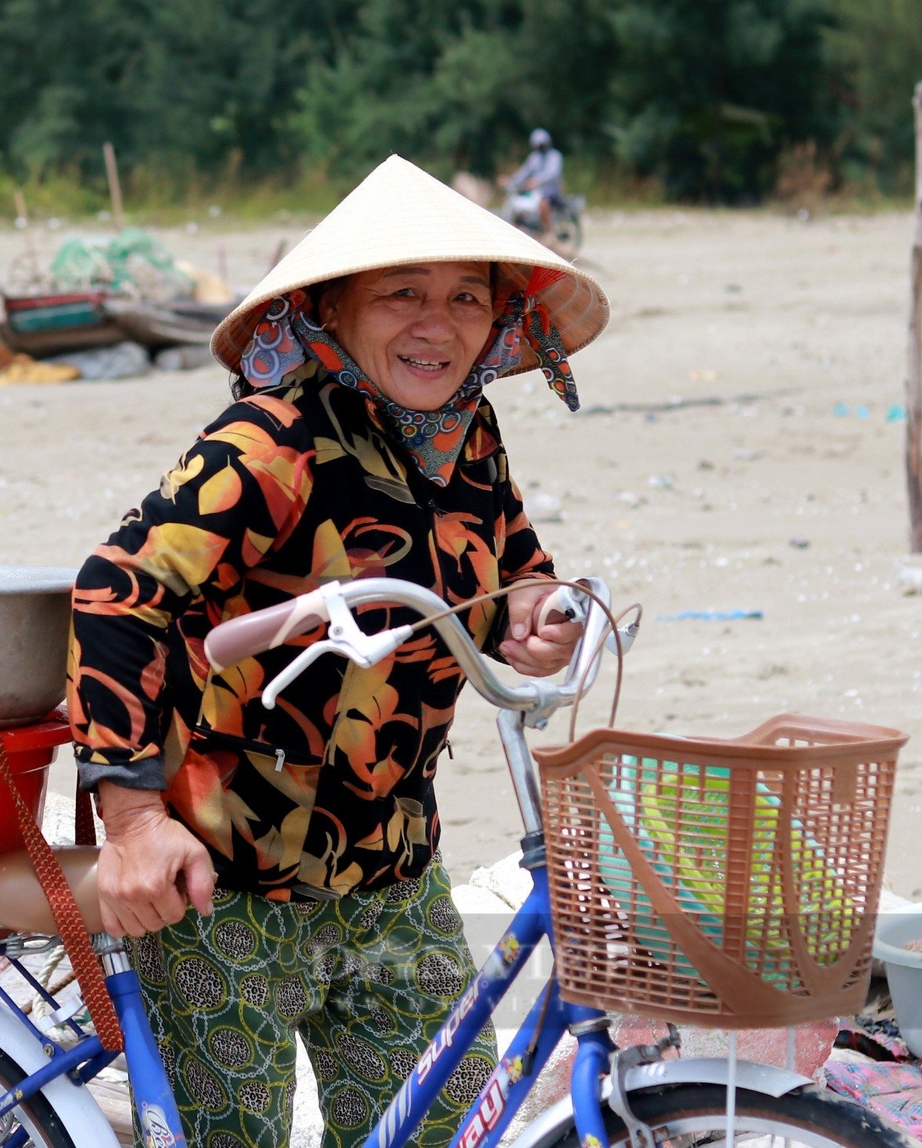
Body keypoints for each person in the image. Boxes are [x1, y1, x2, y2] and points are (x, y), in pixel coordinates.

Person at [67, 155, 610, 1148]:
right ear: (328, 309)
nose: (434, 323)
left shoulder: (468, 435)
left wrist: (533, 610)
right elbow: (116, 588)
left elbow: (509, 561)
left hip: (391, 870)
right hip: (221, 883)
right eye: (399, 292)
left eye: (463, 296)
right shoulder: (269, 442)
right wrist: (134, 820)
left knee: (443, 1127)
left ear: (497, 317)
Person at [507, 128, 565, 234]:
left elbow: (552, 173)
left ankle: (548, 231)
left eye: (542, 145)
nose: (540, 147)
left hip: (551, 191)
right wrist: (510, 180)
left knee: (543, 203)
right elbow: (524, 173)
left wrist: (538, 180)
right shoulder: (534, 157)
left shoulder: (555, 156)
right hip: (535, 192)